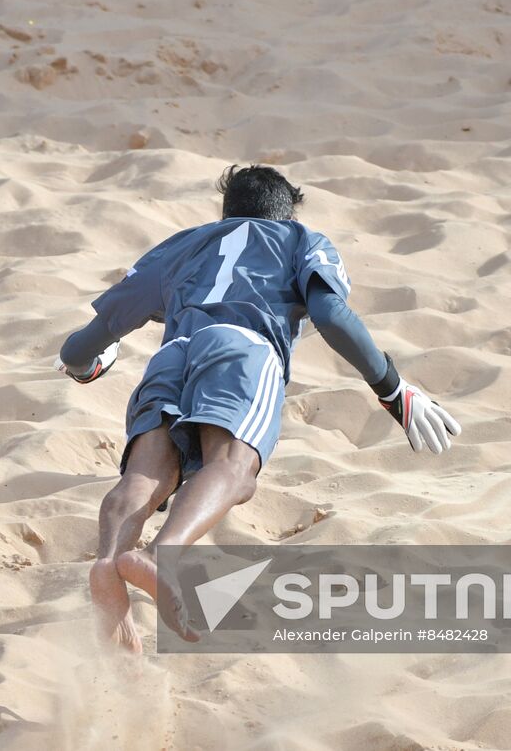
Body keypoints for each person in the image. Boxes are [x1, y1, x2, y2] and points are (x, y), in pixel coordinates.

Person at [57, 165, 461, 651]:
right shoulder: (300, 239)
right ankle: (164, 560)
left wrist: (86, 366)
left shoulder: (184, 244)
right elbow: (332, 315)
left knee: (144, 476)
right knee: (233, 467)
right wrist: (392, 389)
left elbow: (82, 347)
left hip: (172, 353)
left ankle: (108, 562)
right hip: (243, 349)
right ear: (287, 211)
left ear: (226, 212)